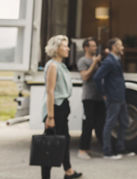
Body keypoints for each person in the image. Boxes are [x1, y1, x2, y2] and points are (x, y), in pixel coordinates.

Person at [42, 35, 82, 179]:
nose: (68, 49)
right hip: (55, 108)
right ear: (56, 48)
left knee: (64, 140)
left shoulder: (60, 65)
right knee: (50, 145)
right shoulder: (53, 65)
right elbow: (50, 91)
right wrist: (50, 117)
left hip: (62, 106)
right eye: (64, 46)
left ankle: (68, 171)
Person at [93, 38, 135, 160]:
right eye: (120, 45)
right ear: (114, 47)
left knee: (125, 122)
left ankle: (120, 148)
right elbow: (97, 77)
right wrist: (103, 93)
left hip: (120, 97)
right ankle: (107, 152)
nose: (122, 47)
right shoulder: (109, 61)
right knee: (110, 124)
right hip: (113, 97)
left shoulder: (116, 60)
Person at [77, 37, 105, 160]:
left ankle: (90, 149)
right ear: (86, 48)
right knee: (88, 124)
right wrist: (94, 63)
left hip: (99, 97)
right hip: (89, 97)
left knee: (99, 124)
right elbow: (85, 77)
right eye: (93, 46)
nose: (95, 48)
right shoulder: (83, 61)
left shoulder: (97, 61)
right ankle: (82, 150)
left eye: (95, 46)